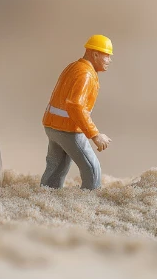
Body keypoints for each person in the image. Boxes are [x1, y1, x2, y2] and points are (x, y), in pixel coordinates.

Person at [40, 35, 114, 190]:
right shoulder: (86, 74)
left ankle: (47, 195)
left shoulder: (74, 67)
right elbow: (76, 106)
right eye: (106, 55)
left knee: (56, 166)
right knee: (91, 168)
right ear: (95, 54)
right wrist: (95, 135)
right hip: (68, 129)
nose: (109, 60)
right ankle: (89, 199)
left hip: (52, 125)